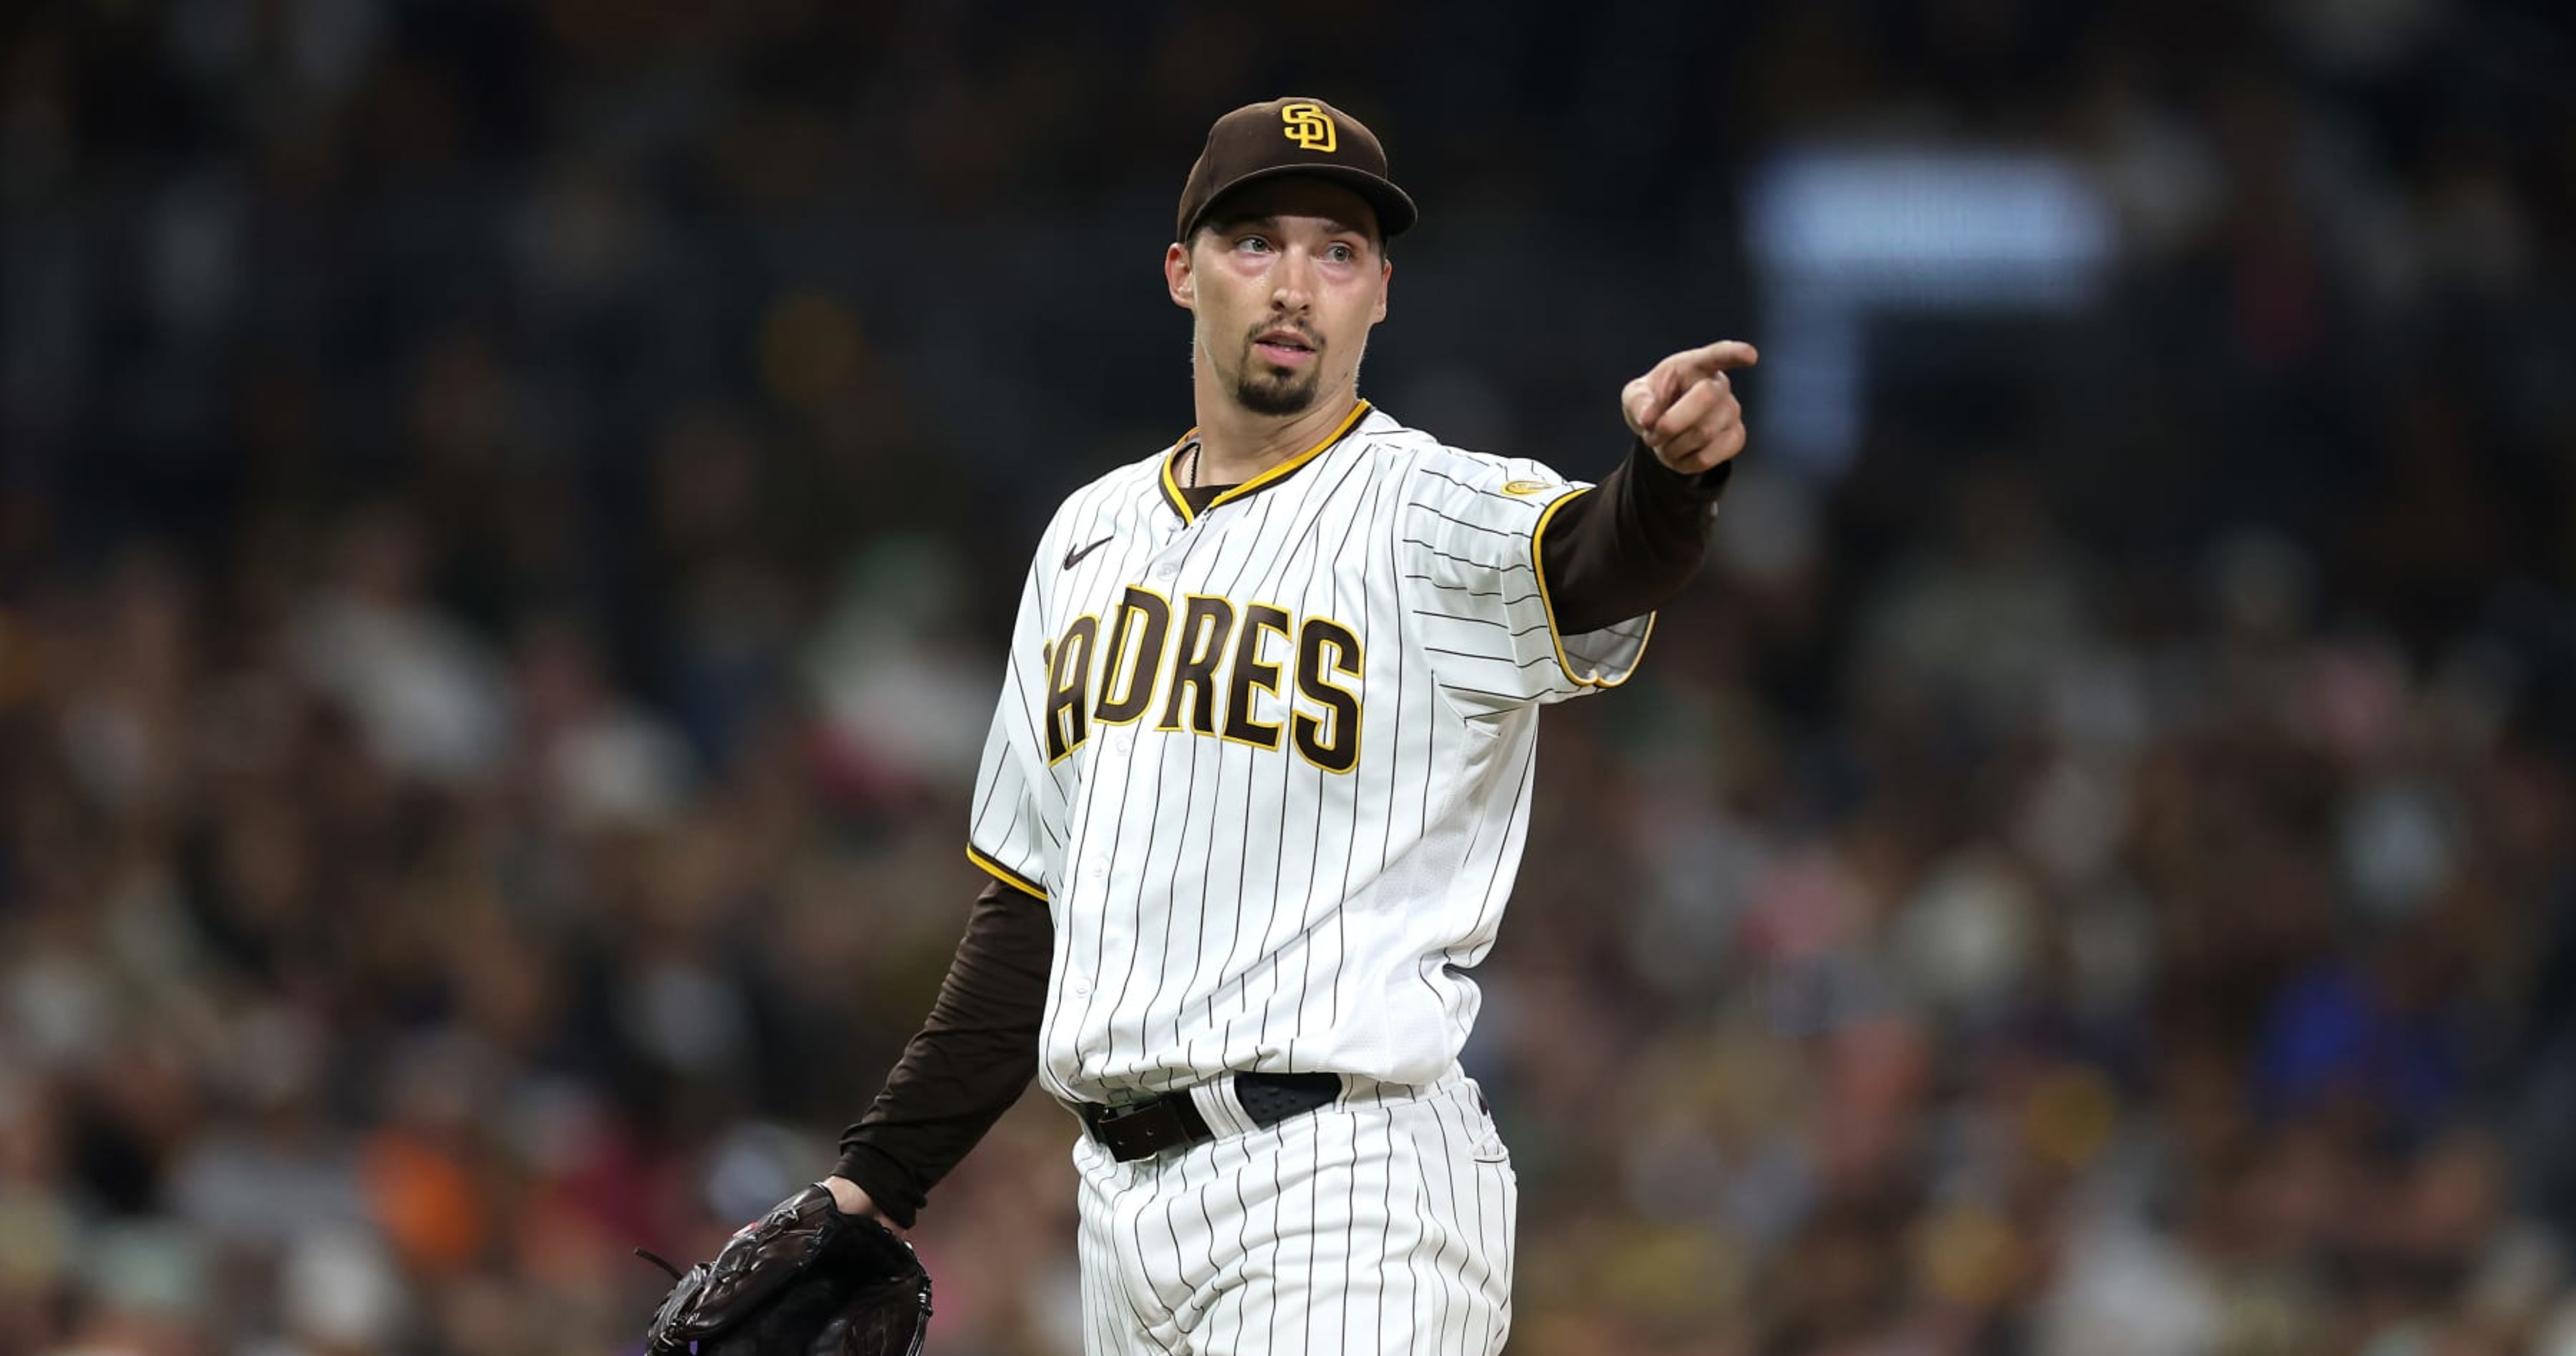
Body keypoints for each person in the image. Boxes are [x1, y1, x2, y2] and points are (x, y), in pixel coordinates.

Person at [825, 95, 1753, 1354]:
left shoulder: (1431, 509)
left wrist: (1673, 480)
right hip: (1120, 1215)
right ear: (1181, 272)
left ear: (1381, 291)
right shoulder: (1087, 539)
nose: (1295, 284)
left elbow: (1599, 558)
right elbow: (1033, 914)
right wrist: (876, 1183)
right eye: (1255, 240)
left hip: (1349, 1184)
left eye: (1339, 250)